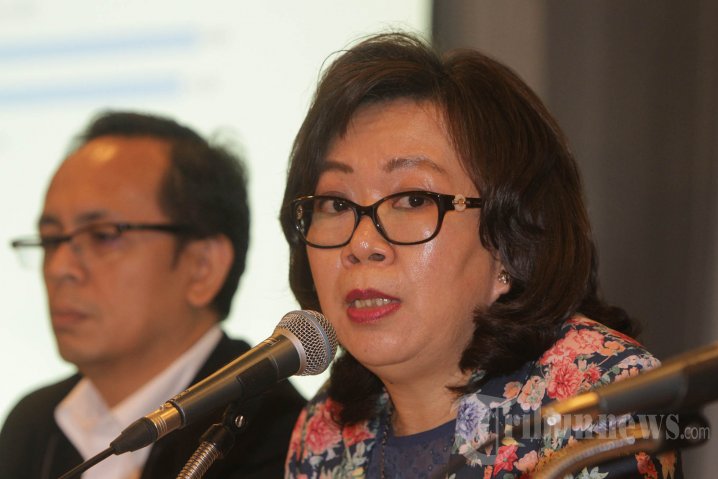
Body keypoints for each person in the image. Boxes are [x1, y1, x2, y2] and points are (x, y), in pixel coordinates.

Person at [280, 33, 682, 478]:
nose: (361, 244)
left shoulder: (599, 396)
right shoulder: (325, 432)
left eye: (413, 199)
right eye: (336, 203)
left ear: (508, 240)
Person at [0, 111, 306, 479]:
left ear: (203, 267)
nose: (59, 268)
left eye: (103, 235)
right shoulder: (31, 427)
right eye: (51, 239)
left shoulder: (281, 437)